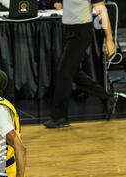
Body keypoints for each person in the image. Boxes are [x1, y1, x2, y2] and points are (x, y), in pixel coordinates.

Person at [43, 0, 117, 129]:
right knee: (73, 72)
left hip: (81, 31)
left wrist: (109, 38)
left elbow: (102, 11)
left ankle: (59, 118)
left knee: (64, 72)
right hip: (67, 29)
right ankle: (106, 97)